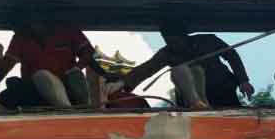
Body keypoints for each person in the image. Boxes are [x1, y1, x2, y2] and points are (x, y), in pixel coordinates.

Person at [108, 21, 254, 109]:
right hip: (193, 98)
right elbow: (147, 69)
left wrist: (243, 80)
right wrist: (122, 83)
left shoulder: (208, 41)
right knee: (180, 70)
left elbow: (232, 56)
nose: (172, 44)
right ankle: (197, 105)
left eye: (174, 39)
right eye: (167, 40)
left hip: (223, 91)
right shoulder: (167, 53)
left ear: (184, 36)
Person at [0, 19, 112, 108]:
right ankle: (67, 110)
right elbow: (5, 67)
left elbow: (88, 54)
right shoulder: (21, 36)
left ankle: (79, 106)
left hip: (68, 86)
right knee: (34, 79)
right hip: (35, 91)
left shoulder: (68, 30)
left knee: (75, 75)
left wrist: (77, 69)